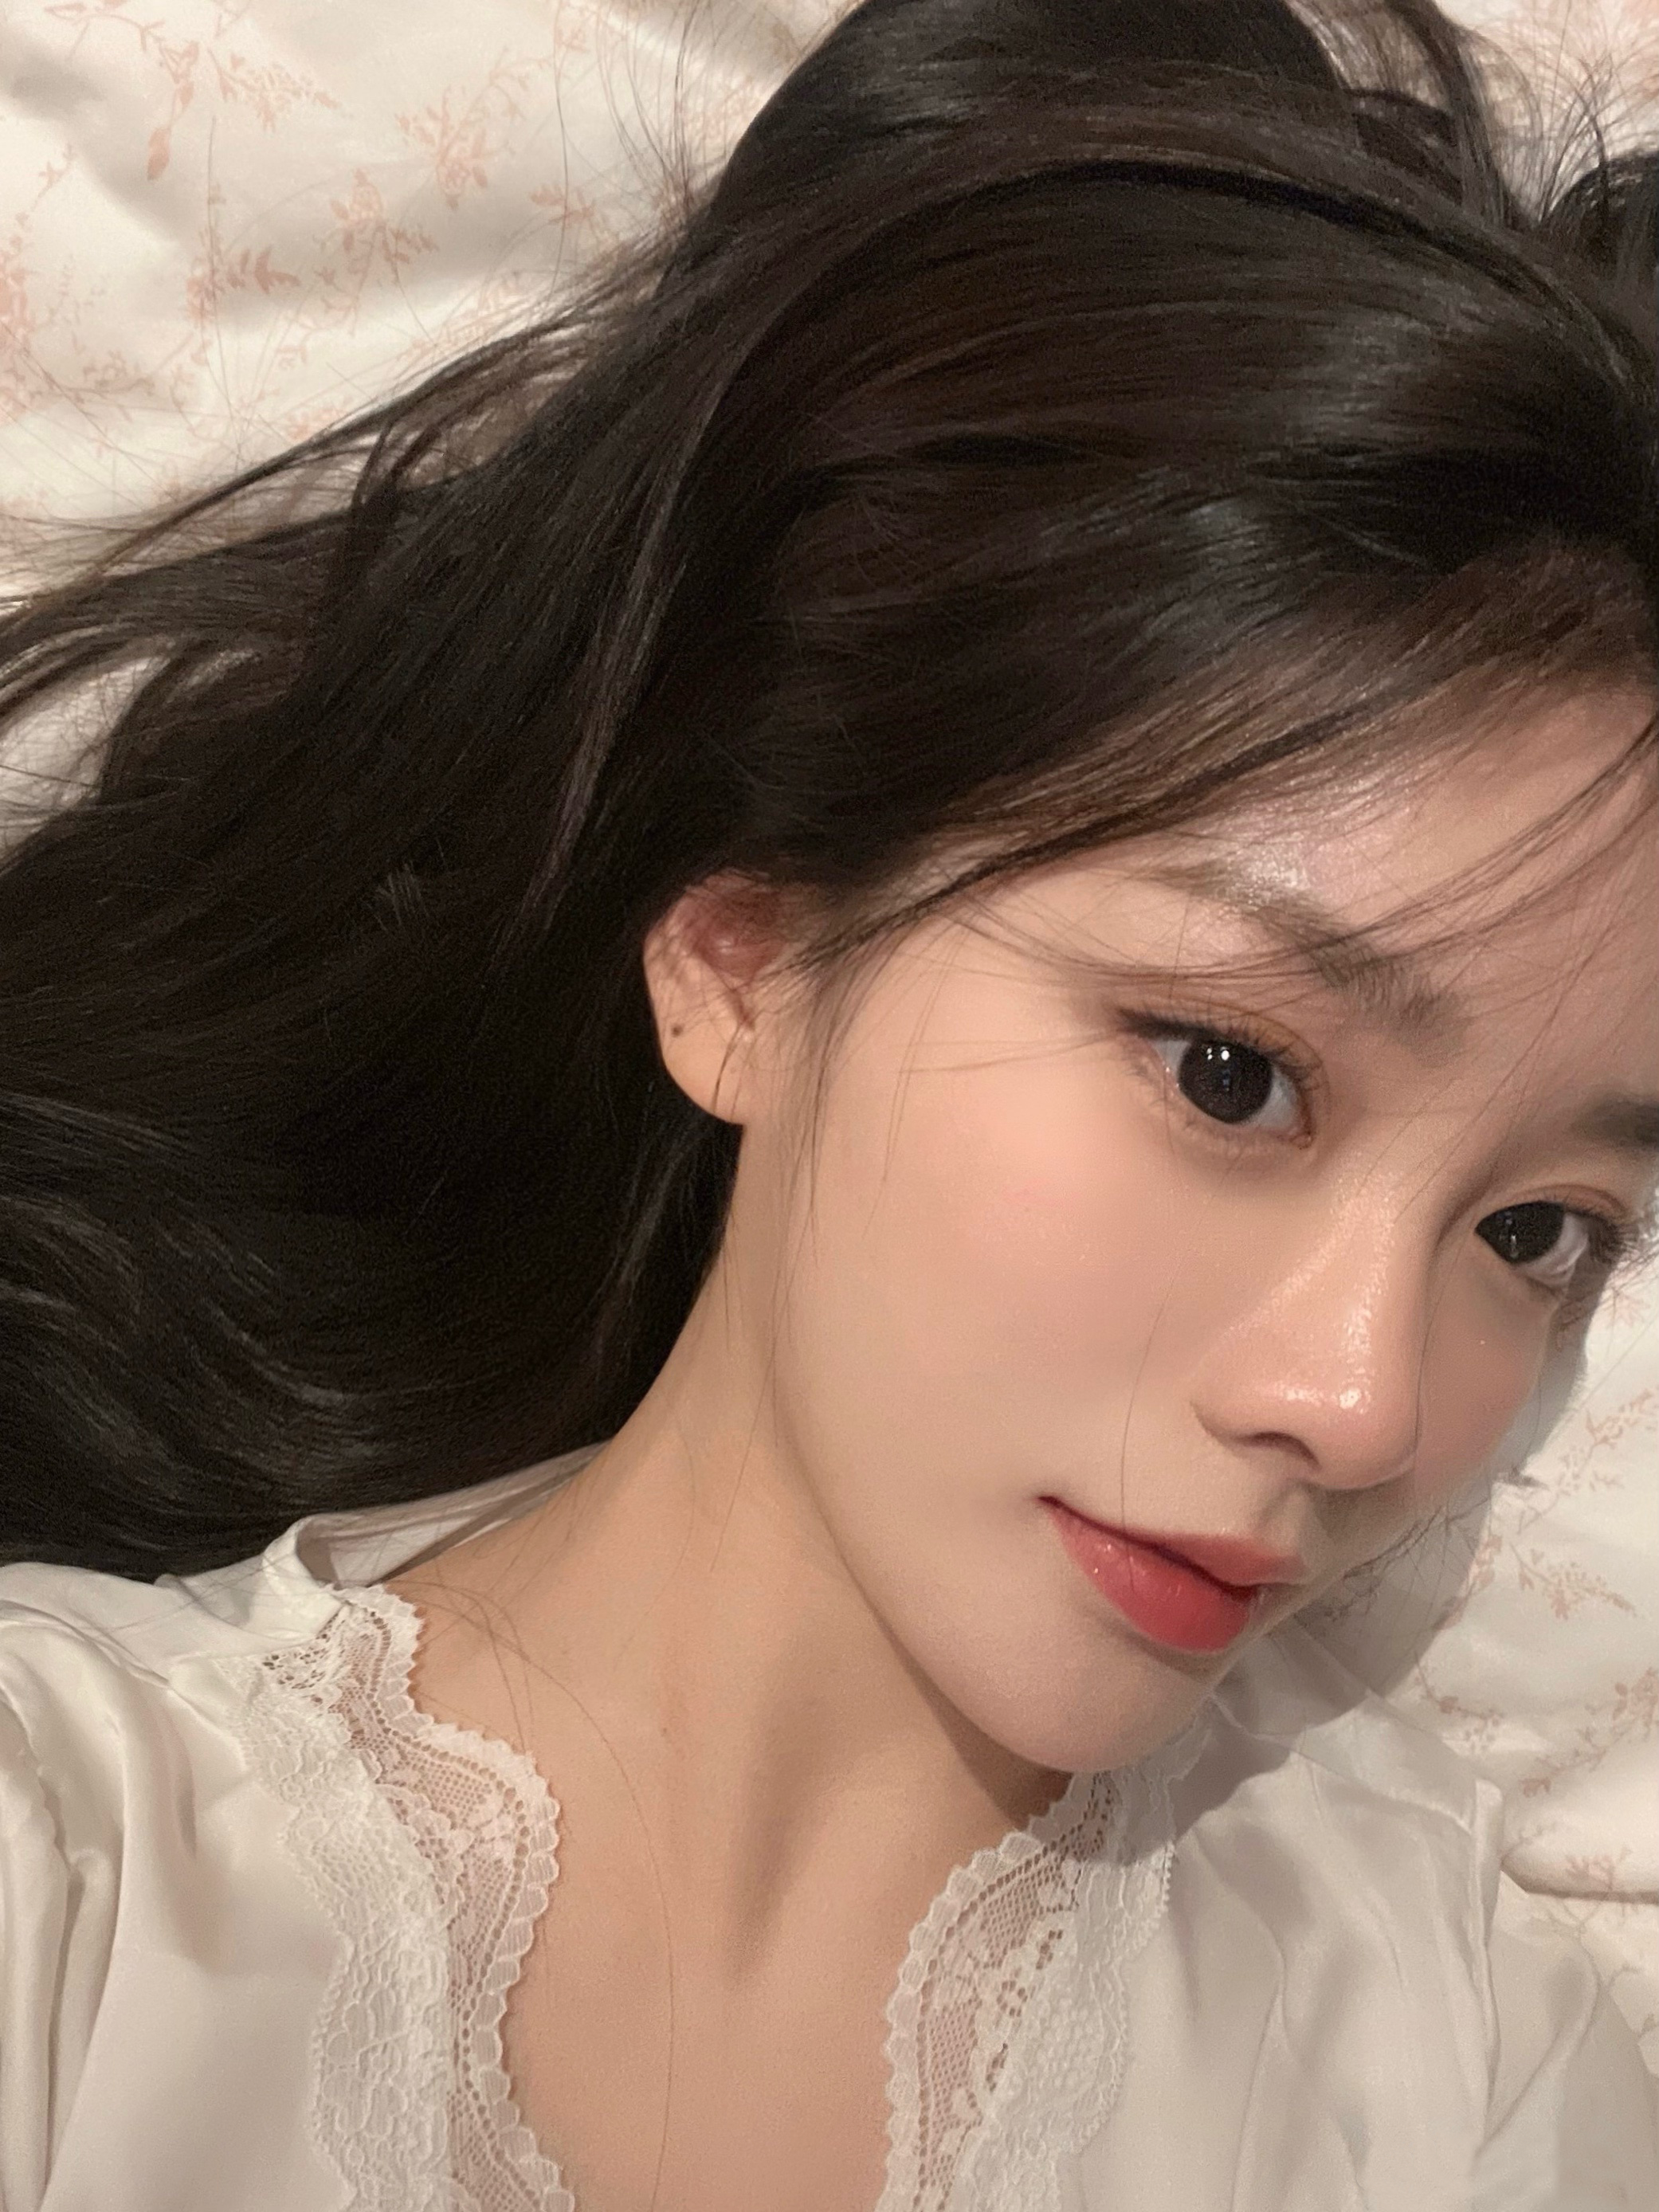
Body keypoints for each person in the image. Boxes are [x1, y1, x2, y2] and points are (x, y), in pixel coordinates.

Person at [1, 0, 1656, 2204]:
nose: (1362, 1407)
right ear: (745, 965)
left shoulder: (1451, 2057)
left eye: (1539, 1232)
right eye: (1233, 1074)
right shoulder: (69, 1879)